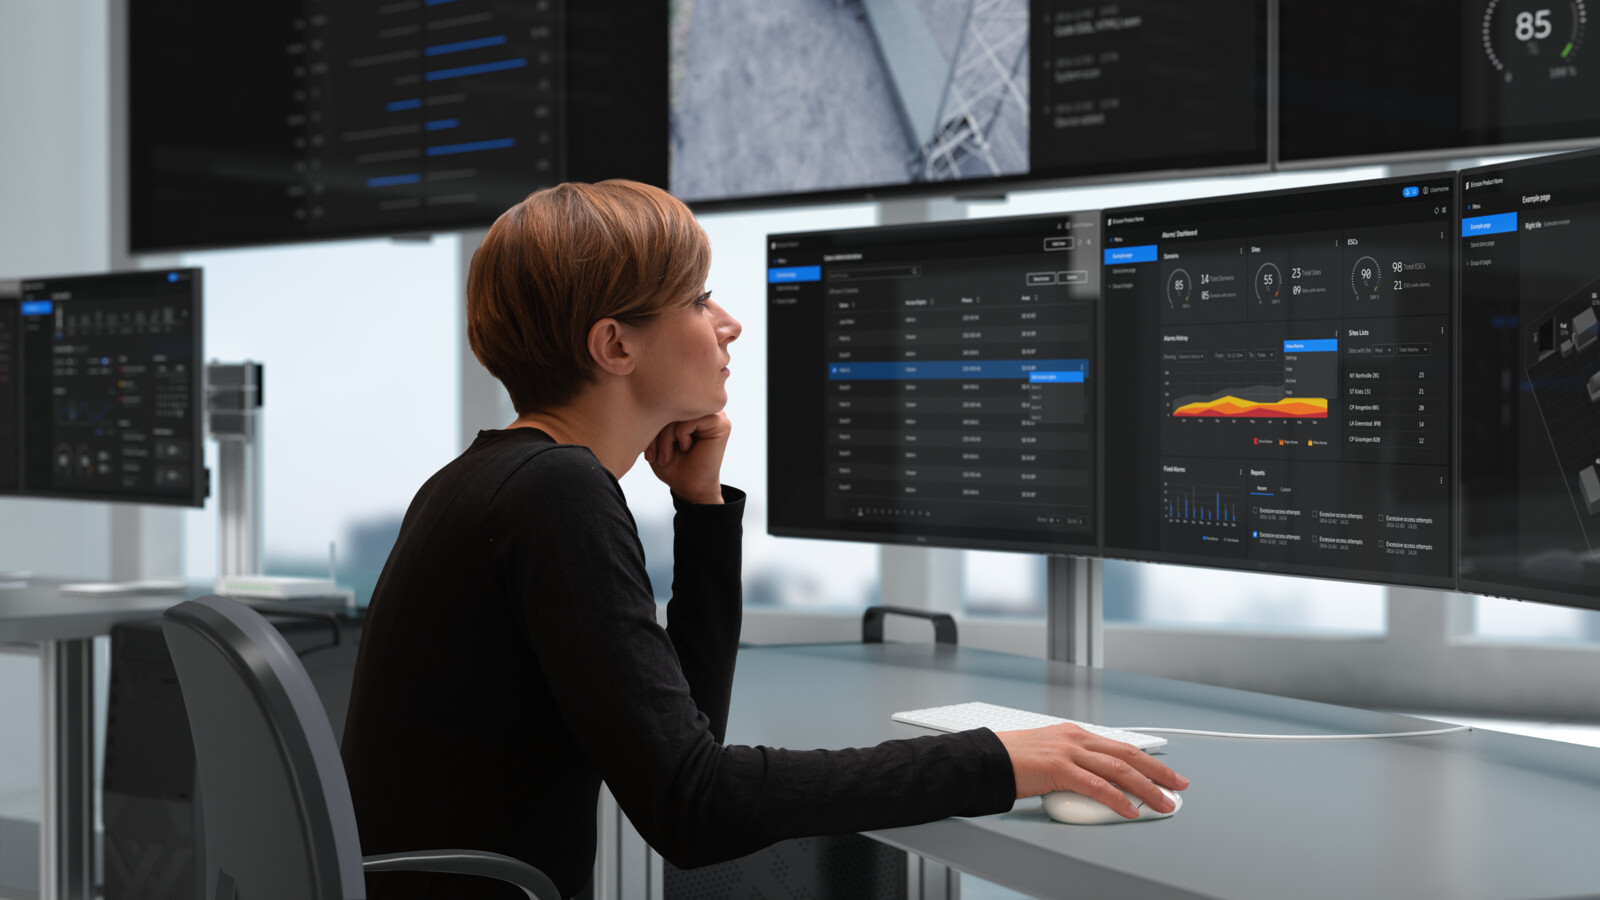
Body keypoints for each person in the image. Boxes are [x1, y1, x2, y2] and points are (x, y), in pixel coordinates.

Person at [340, 180, 1189, 899]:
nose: (729, 324)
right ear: (615, 345)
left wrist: (701, 508)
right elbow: (695, 810)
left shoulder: (485, 481)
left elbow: (685, 745)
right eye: (698, 298)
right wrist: (997, 762)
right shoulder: (556, 495)